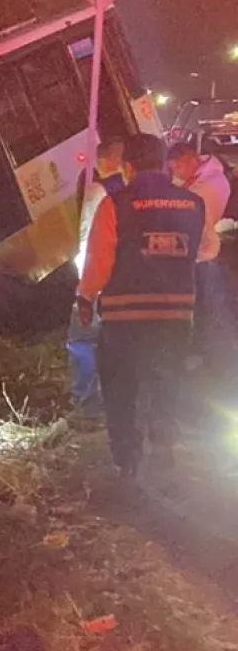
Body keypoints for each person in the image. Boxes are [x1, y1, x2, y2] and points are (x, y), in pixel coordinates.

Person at [76, 134, 205, 478]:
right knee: (166, 380)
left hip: (124, 317)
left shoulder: (115, 205)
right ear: (165, 165)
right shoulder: (194, 203)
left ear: (127, 167)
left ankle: (127, 459)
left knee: (121, 387)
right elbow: (207, 250)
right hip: (176, 314)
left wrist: (85, 298)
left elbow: (99, 262)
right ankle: (163, 442)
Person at [67, 139, 126, 416]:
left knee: (84, 340)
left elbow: (87, 239)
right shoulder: (134, 190)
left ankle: (86, 401)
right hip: (130, 281)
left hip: (99, 280)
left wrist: (85, 287)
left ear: (104, 161)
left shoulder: (97, 191)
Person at [167, 141, 235, 374]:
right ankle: (208, 353)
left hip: (207, 255)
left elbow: (186, 209)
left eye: (177, 167)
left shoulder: (211, 182)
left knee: (214, 305)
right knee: (201, 307)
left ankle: (226, 359)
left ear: (190, 159)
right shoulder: (191, 180)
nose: (175, 172)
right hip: (193, 255)